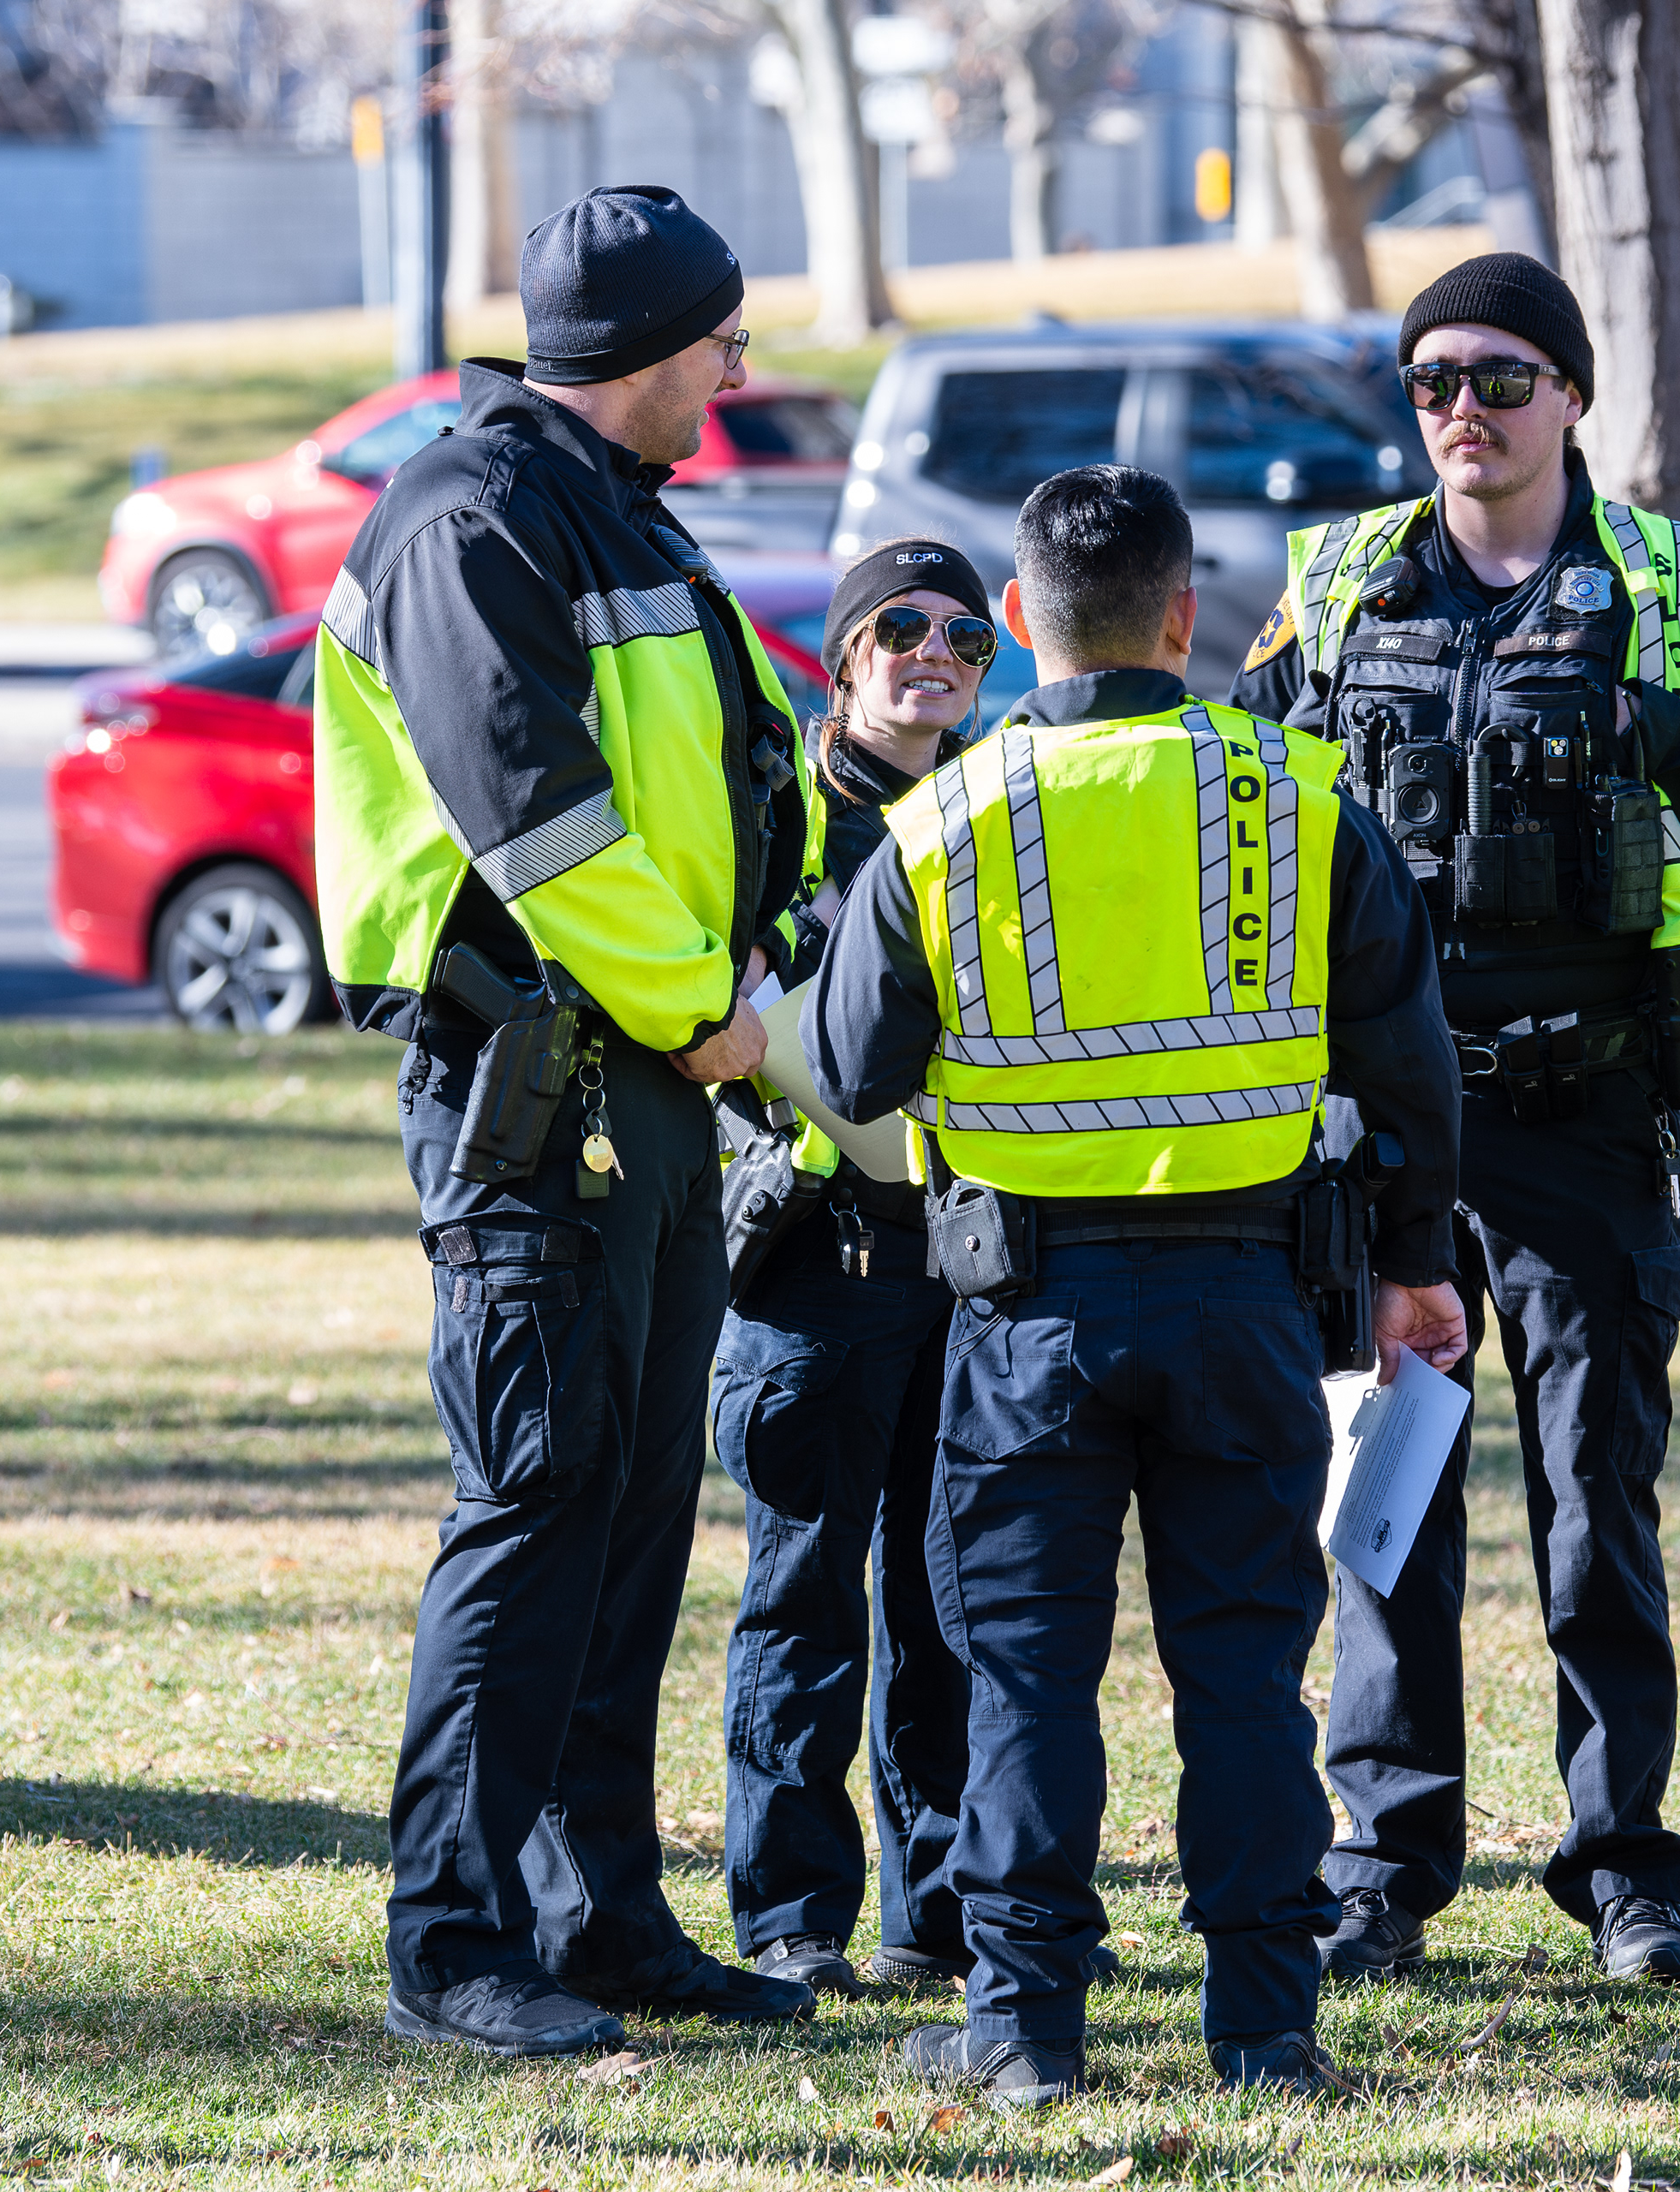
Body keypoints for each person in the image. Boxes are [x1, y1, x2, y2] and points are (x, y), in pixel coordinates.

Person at [808, 462, 1467, 2107]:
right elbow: (1413, 1070)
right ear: (1190, 619)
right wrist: (1412, 1270)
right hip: (1252, 1306)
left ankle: (1024, 2032)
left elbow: (845, 1060)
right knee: (1243, 1674)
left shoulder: (941, 825)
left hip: (1027, 1320)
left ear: (1019, 623)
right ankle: (1264, 2030)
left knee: (1026, 1676)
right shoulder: (1301, 799)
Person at [310, 182, 818, 2058]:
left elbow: (747, 787)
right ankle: (451, 1937)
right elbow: (544, 829)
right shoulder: (467, 521)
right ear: (644, 353)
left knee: (622, 1515)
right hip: (539, 1094)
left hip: (657, 1096)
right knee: (531, 1505)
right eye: (725, 343)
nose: (739, 374)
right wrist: (711, 1010)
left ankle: (595, 1913)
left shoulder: (620, 519)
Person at [1229, 252, 1680, 1990]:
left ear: (1574, 396)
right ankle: (1384, 1856)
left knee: (1595, 1495)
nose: (1467, 406)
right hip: (1387, 1130)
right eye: (1436, 377)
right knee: (1383, 1497)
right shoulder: (1330, 586)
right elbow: (1239, 802)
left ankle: (1624, 1866)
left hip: (1585, 1107)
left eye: (1506, 375)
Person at [712, 538, 999, 2001]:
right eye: (901, 629)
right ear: (845, 654)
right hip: (818, 1264)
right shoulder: (780, 812)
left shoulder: (992, 803)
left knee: (946, 1606)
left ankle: (934, 1913)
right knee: (805, 1597)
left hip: (963, 1263)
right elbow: (722, 1009)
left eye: (966, 635)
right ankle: (790, 1916)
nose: (933, 655)